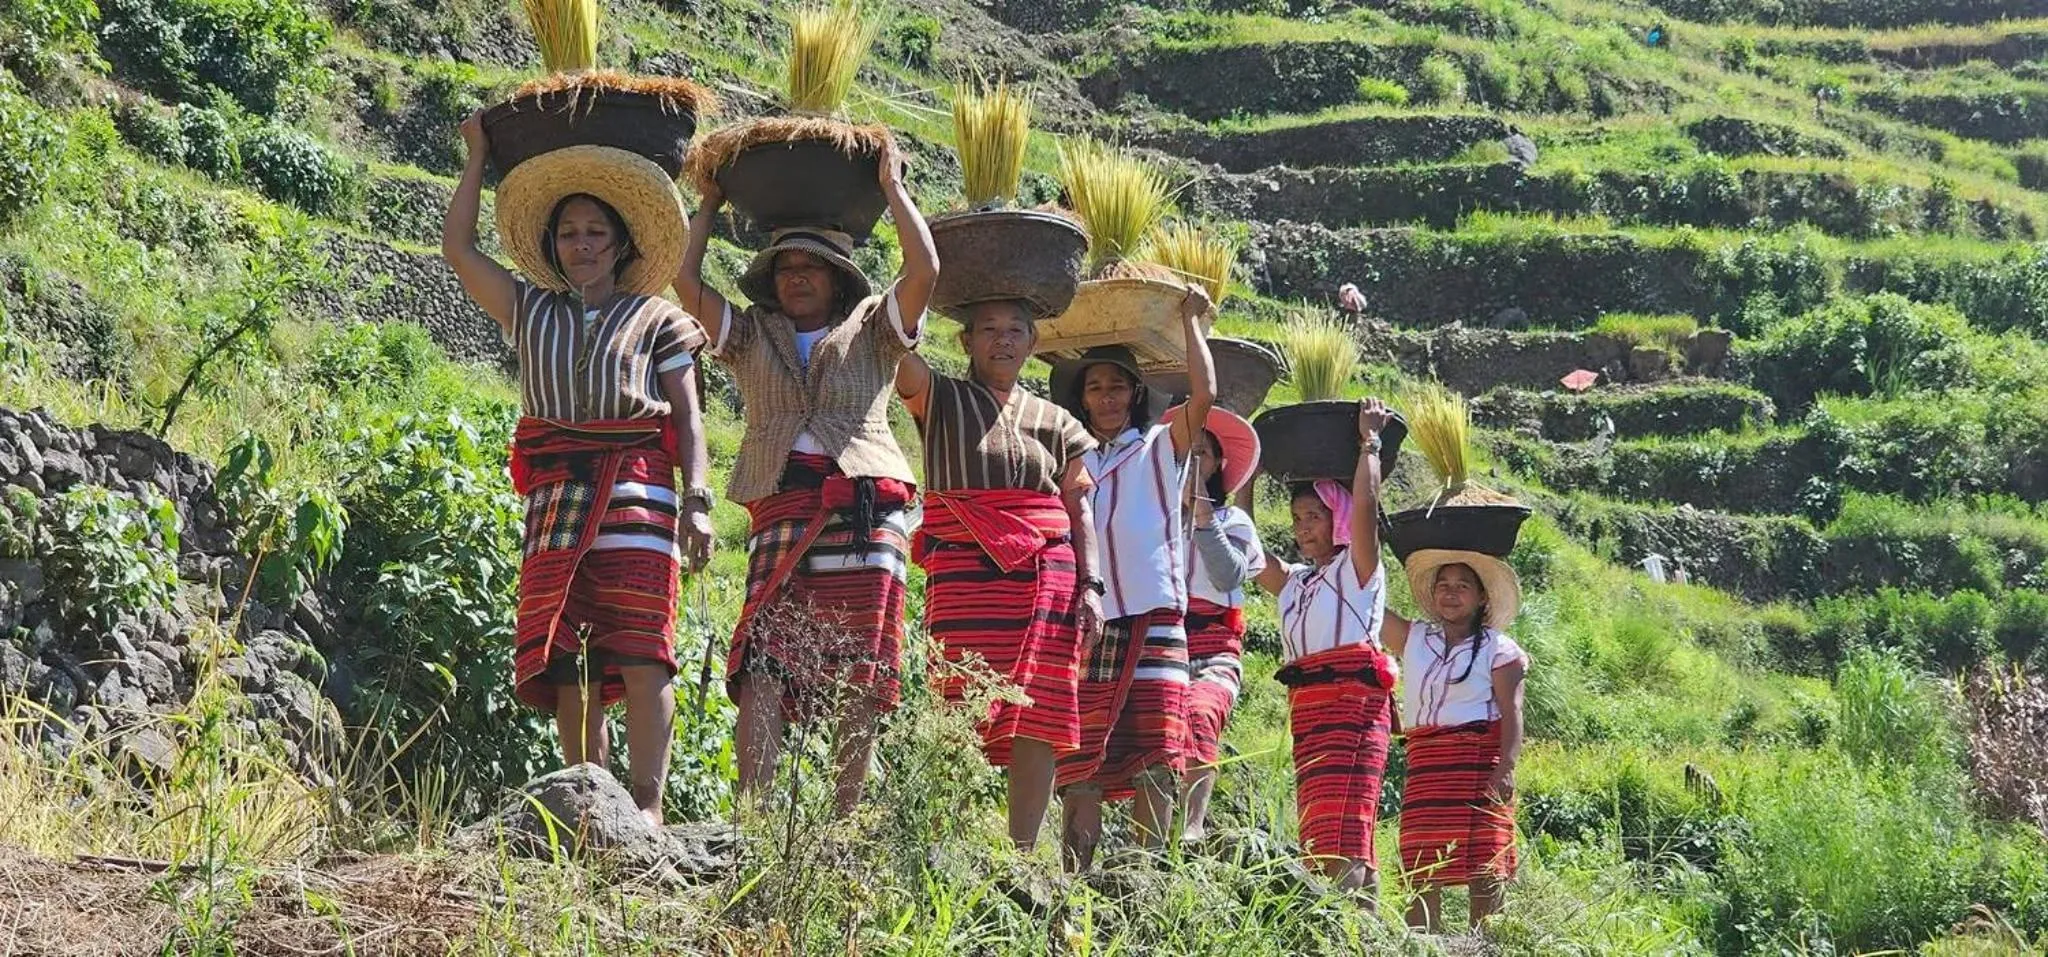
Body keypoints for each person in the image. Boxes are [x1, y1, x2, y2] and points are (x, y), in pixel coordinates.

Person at [441, 114, 714, 825]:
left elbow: (687, 418)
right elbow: (457, 248)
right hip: (557, 501)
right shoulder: (530, 310)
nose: (583, 244)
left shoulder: (657, 319)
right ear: (552, 247)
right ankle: (590, 801)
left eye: (596, 231)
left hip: (638, 496)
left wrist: (700, 500)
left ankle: (648, 807)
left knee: (645, 647)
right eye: (569, 233)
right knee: (573, 656)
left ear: (622, 242)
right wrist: (476, 156)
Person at [672, 143, 937, 816]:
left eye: (810, 266)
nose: (796, 278)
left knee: (861, 675)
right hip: (781, 500)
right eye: (784, 267)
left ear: (838, 276)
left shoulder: (876, 325)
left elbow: (926, 268)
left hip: (864, 509)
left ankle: (842, 827)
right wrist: (709, 201)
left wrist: (894, 188)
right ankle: (755, 820)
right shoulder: (752, 334)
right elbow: (683, 279)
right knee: (760, 665)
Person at [895, 298, 1100, 852]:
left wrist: (1093, 586)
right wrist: (915, 288)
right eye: (988, 329)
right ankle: (943, 842)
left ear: (1034, 343)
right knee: (957, 697)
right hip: (963, 569)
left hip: (1048, 575)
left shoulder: (1059, 421)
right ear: (964, 341)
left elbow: (1080, 508)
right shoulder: (939, 397)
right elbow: (897, 353)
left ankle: (1022, 853)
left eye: (1015, 331)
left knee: (1040, 707)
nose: (1002, 340)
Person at [1050, 287, 1216, 869]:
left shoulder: (1158, 447)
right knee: (1081, 758)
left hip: (1154, 614)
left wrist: (1192, 321)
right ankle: (1076, 876)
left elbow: (1206, 394)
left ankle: (1146, 880)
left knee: (1156, 751)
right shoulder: (1072, 460)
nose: (1107, 396)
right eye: (1095, 387)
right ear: (1082, 398)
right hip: (1091, 621)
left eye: (1117, 385)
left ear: (1136, 393)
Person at [1251, 399, 1399, 903]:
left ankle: (1338, 922)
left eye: (1314, 514)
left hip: (1353, 706)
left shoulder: (1358, 569)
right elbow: (1248, 543)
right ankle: (1366, 925)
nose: (1303, 527)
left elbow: (1364, 509)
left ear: (1335, 515)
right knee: (1325, 821)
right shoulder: (1295, 582)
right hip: (1308, 711)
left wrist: (1368, 445)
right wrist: (1248, 468)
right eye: (1296, 518)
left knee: (1343, 822)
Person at [1384, 547, 1527, 931]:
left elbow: (1512, 713)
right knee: (1421, 862)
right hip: (1427, 767)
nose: (1450, 593)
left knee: (1485, 865)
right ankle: (1420, 943)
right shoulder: (1414, 639)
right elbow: (1367, 597)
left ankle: (1486, 946)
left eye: (1462, 586)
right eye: (1443, 585)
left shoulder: (1500, 649)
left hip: (1479, 765)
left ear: (1482, 597)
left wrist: (1507, 769)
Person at [1178, 417, 1263, 842]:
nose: (1193, 461)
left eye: (1202, 454)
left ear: (1217, 466)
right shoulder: (1155, 514)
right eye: (1186, 451)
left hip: (1214, 645)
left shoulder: (1235, 522)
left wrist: (1201, 513)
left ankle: (1192, 828)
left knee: (1200, 712)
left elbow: (1229, 575)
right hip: (1163, 637)